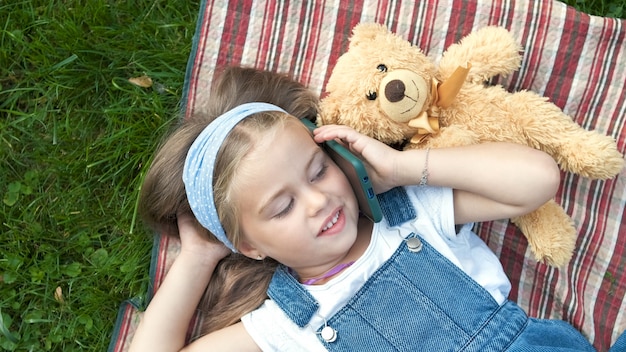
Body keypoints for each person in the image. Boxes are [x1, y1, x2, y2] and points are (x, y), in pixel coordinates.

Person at [129, 67, 611, 351]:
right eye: (282, 207)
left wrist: (403, 168)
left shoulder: (411, 213)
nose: (319, 201)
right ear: (250, 245)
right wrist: (197, 257)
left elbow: (538, 180)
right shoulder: (283, 324)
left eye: (318, 170)